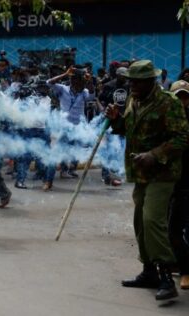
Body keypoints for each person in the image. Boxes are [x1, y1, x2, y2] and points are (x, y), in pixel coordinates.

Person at [105, 60, 189, 301]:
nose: (130, 84)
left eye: (135, 80)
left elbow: (183, 137)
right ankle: (149, 271)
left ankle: (165, 276)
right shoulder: (134, 100)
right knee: (140, 222)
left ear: (149, 81)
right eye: (130, 80)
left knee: (153, 220)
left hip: (163, 173)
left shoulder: (168, 103)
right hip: (140, 172)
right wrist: (116, 120)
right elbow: (129, 130)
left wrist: (154, 155)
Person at [47, 65, 95, 179]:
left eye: (83, 82)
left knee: (77, 148)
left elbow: (92, 95)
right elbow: (49, 82)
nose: (82, 84)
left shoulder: (84, 91)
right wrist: (65, 74)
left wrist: (89, 81)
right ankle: (61, 172)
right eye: (80, 81)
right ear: (73, 81)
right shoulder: (63, 89)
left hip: (79, 126)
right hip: (65, 126)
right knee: (62, 149)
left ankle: (72, 169)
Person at [168, 80, 189, 290]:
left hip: (185, 182)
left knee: (177, 229)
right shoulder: (168, 118)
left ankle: (186, 270)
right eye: (178, 96)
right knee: (168, 227)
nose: (181, 100)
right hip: (169, 180)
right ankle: (175, 263)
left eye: (185, 96)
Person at [97, 66, 129, 186]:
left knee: (121, 149)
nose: (125, 78)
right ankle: (107, 176)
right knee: (110, 148)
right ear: (117, 75)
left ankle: (116, 174)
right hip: (111, 120)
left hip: (123, 120)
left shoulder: (128, 86)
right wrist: (103, 111)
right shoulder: (109, 85)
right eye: (123, 76)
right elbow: (99, 99)